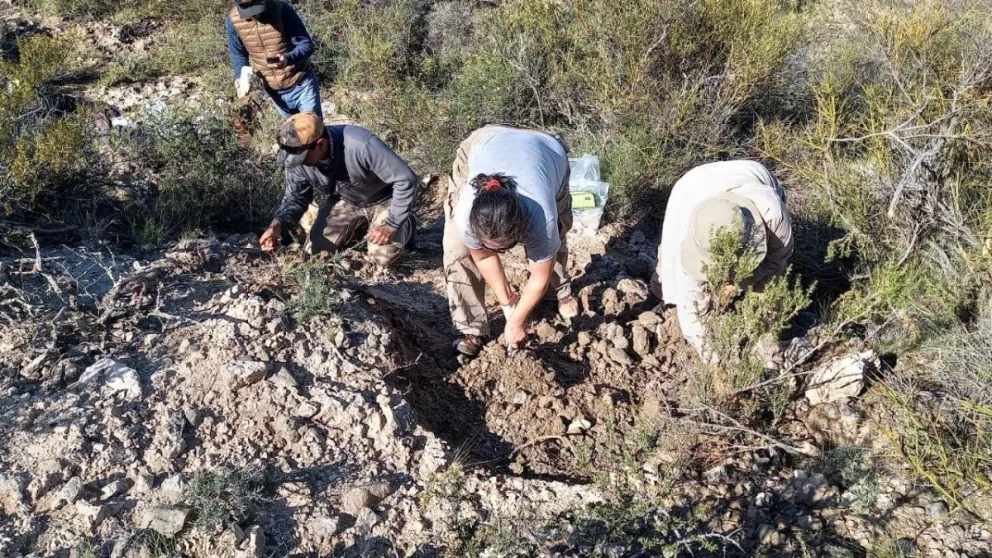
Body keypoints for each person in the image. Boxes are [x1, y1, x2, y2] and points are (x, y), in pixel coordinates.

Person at [443, 125, 580, 357]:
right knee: (457, 247)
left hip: (546, 151)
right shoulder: (466, 216)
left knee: (555, 234)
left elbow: (539, 276)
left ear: (522, 227)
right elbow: (484, 256)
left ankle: (558, 291)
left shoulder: (540, 216)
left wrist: (516, 323)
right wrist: (508, 303)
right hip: (484, 142)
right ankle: (472, 327)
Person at [651, 160, 793, 360]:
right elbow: (691, 313)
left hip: (750, 173)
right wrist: (714, 362)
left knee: (768, 289)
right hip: (692, 186)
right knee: (670, 275)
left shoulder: (772, 214)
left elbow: (776, 263)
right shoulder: (685, 229)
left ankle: (766, 345)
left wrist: (739, 284)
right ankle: (657, 293)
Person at [260, 113, 419, 266]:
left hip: (385, 200)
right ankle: (362, 229)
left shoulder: (360, 145)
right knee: (314, 252)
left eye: (302, 158)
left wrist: (391, 225)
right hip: (347, 200)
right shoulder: (294, 158)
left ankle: (406, 223)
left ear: (320, 144)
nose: (296, 163)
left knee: (381, 256)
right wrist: (277, 226)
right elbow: (295, 198)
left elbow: (406, 179)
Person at [226, 0, 323, 119]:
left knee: (313, 134)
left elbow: (306, 45)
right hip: (275, 93)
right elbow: (238, 54)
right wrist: (239, 78)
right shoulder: (233, 21)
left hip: (301, 85)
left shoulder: (281, 9)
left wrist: (287, 59)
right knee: (294, 136)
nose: (253, 15)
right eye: (246, 8)